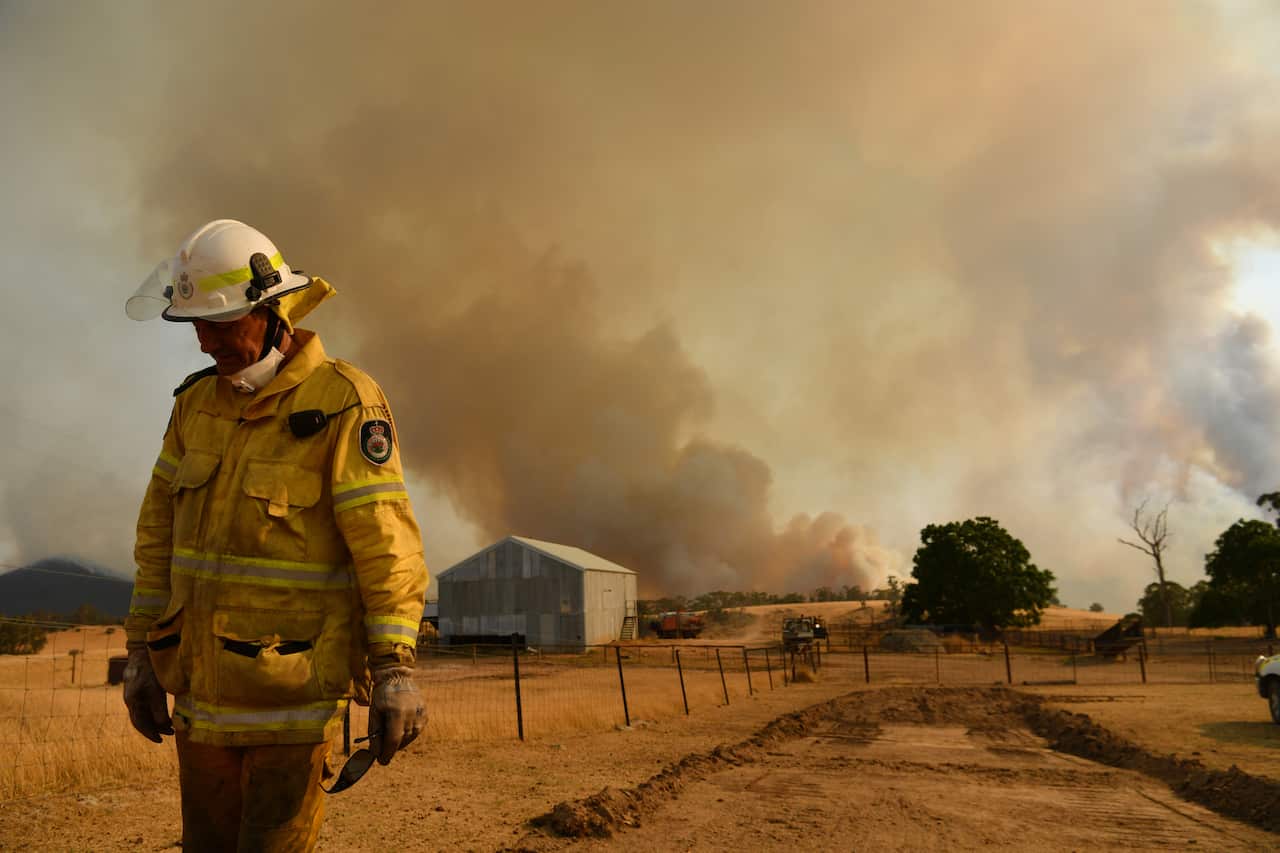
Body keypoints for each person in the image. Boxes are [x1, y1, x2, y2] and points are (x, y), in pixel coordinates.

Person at [122, 219, 429, 852]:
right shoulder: (194, 406)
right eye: (196, 325)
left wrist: (394, 668)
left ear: (271, 311)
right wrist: (140, 656)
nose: (206, 342)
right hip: (201, 710)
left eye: (221, 323)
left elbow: (385, 548)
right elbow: (158, 538)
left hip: (292, 709)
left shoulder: (344, 402)